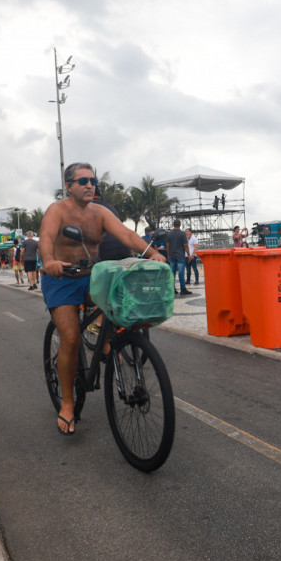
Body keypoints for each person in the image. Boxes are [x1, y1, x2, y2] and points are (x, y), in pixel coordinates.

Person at [40, 163, 167, 435]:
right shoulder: (57, 211)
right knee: (71, 337)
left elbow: (127, 235)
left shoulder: (101, 212)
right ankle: (67, 402)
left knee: (119, 304)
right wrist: (49, 261)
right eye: (82, 180)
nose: (89, 185)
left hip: (91, 275)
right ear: (69, 186)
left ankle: (110, 340)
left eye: (92, 180)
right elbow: (46, 239)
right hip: (61, 279)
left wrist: (151, 252)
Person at [166, 219, 191, 295]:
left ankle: (173, 289)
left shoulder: (169, 234)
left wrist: (168, 255)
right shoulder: (182, 233)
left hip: (172, 255)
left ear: (173, 225)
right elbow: (185, 245)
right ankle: (182, 289)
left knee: (172, 273)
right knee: (181, 273)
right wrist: (189, 255)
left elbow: (167, 245)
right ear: (180, 225)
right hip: (180, 256)